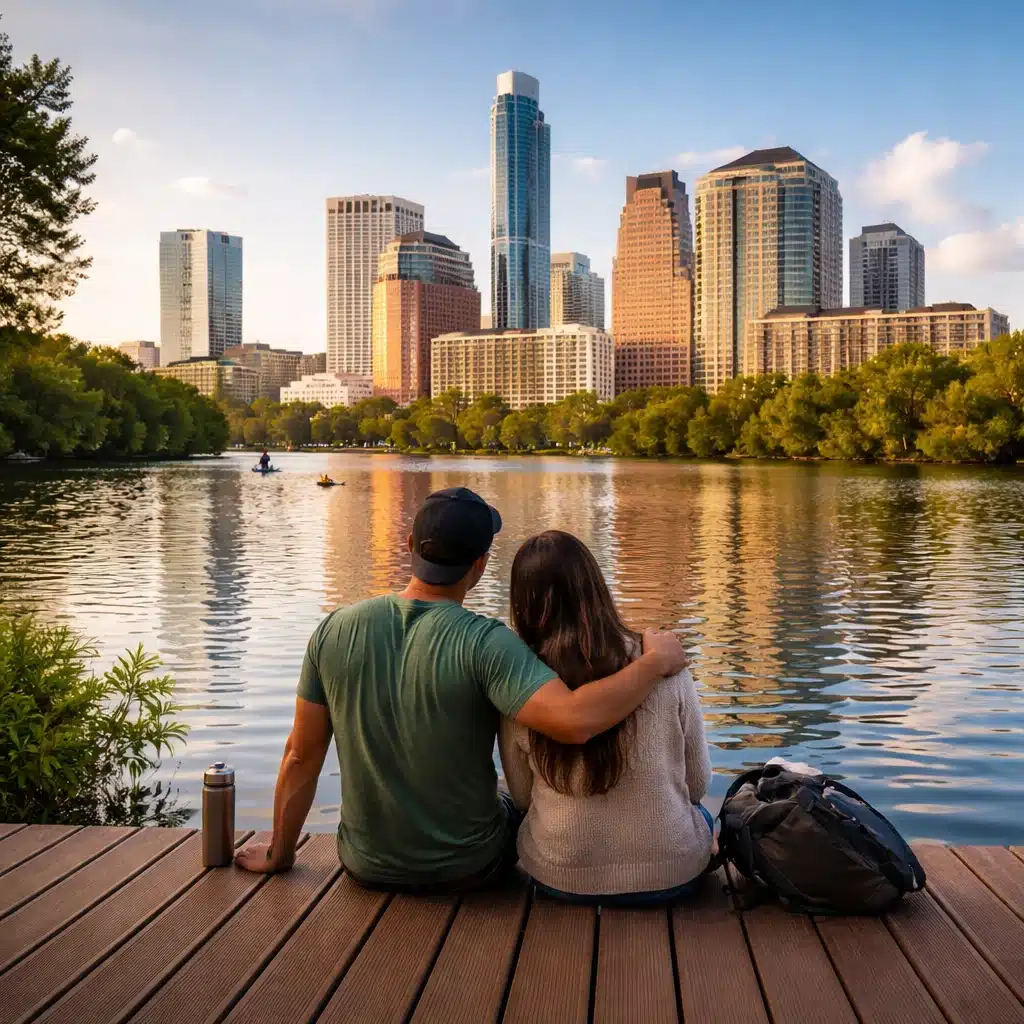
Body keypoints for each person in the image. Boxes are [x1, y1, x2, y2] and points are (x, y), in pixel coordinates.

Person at [235, 487, 688, 890]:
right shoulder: (487, 643)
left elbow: (300, 755)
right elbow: (574, 722)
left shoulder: (334, 630)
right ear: (480, 564)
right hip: (470, 868)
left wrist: (280, 854)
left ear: (410, 546)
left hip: (366, 866)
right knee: (517, 804)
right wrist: (653, 663)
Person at [498, 530, 714, 906]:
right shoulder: (666, 664)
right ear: (595, 588)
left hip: (559, 876)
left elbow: (519, 797)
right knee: (702, 818)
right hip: (671, 874)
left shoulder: (523, 684)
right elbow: (696, 785)